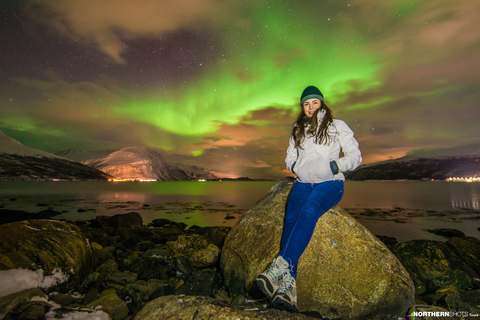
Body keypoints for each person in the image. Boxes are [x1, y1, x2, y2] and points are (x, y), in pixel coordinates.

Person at [255, 85, 362, 312]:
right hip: (303, 183)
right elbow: (290, 156)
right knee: (291, 222)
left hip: (330, 183)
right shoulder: (298, 128)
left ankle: (280, 266)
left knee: (310, 210)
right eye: (306, 103)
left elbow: (355, 155)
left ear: (321, 103)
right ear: (302, 107)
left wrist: (337, 165)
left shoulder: (336, 125)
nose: (310, 107)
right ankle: (288, 290)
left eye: (314, 102)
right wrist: (295, 167)